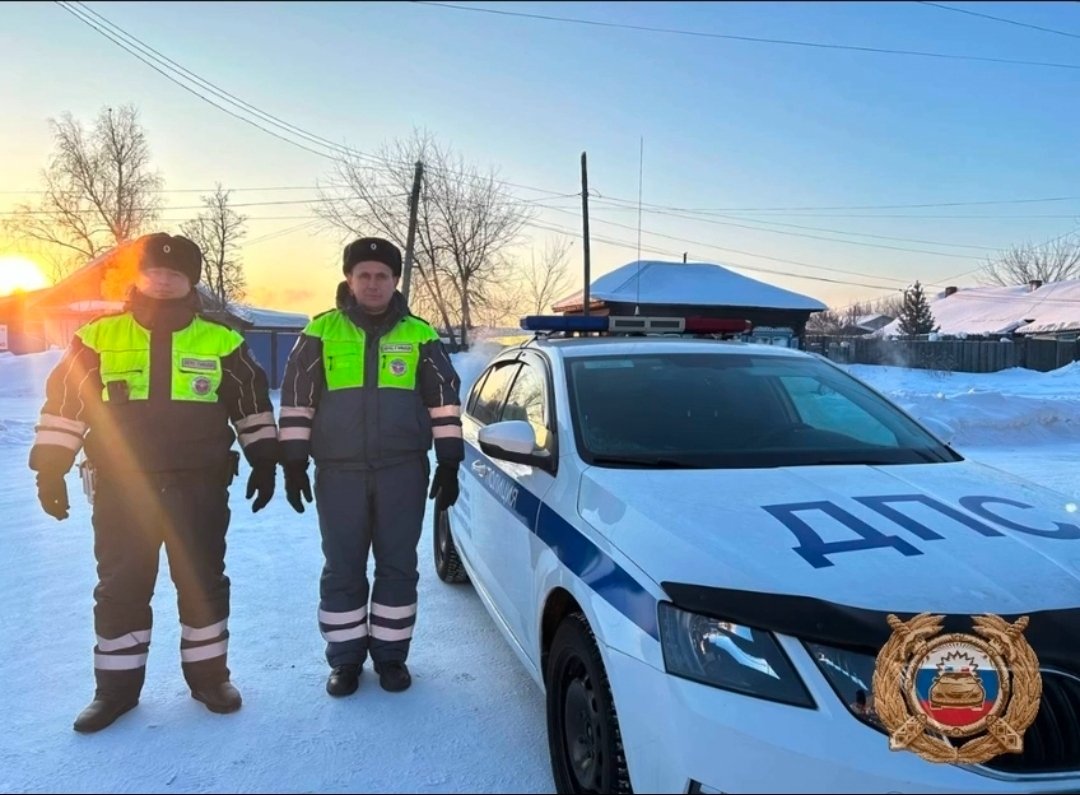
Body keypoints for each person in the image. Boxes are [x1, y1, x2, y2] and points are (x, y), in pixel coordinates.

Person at [27, 233, 280, 733]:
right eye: (154, 271)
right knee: (121, 585)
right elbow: (65, 405)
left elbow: (251, 405)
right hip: (124, 489)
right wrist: (51, 467)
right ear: (138, 277)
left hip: (200, 487)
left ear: (191, 280)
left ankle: (210, 679)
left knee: (203, 583)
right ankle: (116, 691)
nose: (164, 279)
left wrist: (266, 459)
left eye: (176, 273)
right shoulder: (99, 337)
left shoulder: (221, 340)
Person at [279, 236, 463, 696]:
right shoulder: (320, 333)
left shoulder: (419, 335)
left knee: (398, 565)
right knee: (343, 566)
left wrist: (450, 460)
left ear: (395, 280)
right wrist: (294, 461)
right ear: (349, 279)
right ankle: (344, 661)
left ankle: (391, 657)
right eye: (364, 275)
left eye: (383, 276)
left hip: (403, 469)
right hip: (339, 472)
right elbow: (298, 402)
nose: (374, 283)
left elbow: (443, 402)